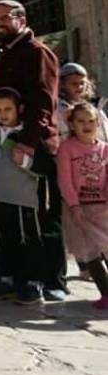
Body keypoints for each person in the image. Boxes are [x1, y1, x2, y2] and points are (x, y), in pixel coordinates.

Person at [0, 0, 65, 300]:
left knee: (41, 217)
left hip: (35, 147)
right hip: (7, 144)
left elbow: (42, 103)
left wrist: (28, 142)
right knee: (10, 215)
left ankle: (52, 281)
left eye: (4, 18)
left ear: (21, 19)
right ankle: (17, 276)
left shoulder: (37, 54)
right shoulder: (7, 54)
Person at [0, 88, 52, 304]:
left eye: (8, 109)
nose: (3, 114)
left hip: (24, 198)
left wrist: (26, 163)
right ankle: (7, 279)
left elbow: (45, 166)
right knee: (1, 237)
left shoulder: (28, 136)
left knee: (29, 239)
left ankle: (33, 282)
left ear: (19, 109)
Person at [56, 102, 108, 310]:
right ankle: (105, 292)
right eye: (81, 121)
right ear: (72, 124)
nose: (86, 125)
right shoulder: (67, 148)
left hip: (102, 209)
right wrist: (74, 205)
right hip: (77, 210)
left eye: (90, 121)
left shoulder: (104, 149)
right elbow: (65, 180)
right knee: (89, 253)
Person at [57, 63, 108, 140]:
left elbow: (104, 131)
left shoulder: (95, 107)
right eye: (74, 84)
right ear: (62, 85)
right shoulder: (59, 110)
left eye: (82, 83)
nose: (79, 87)